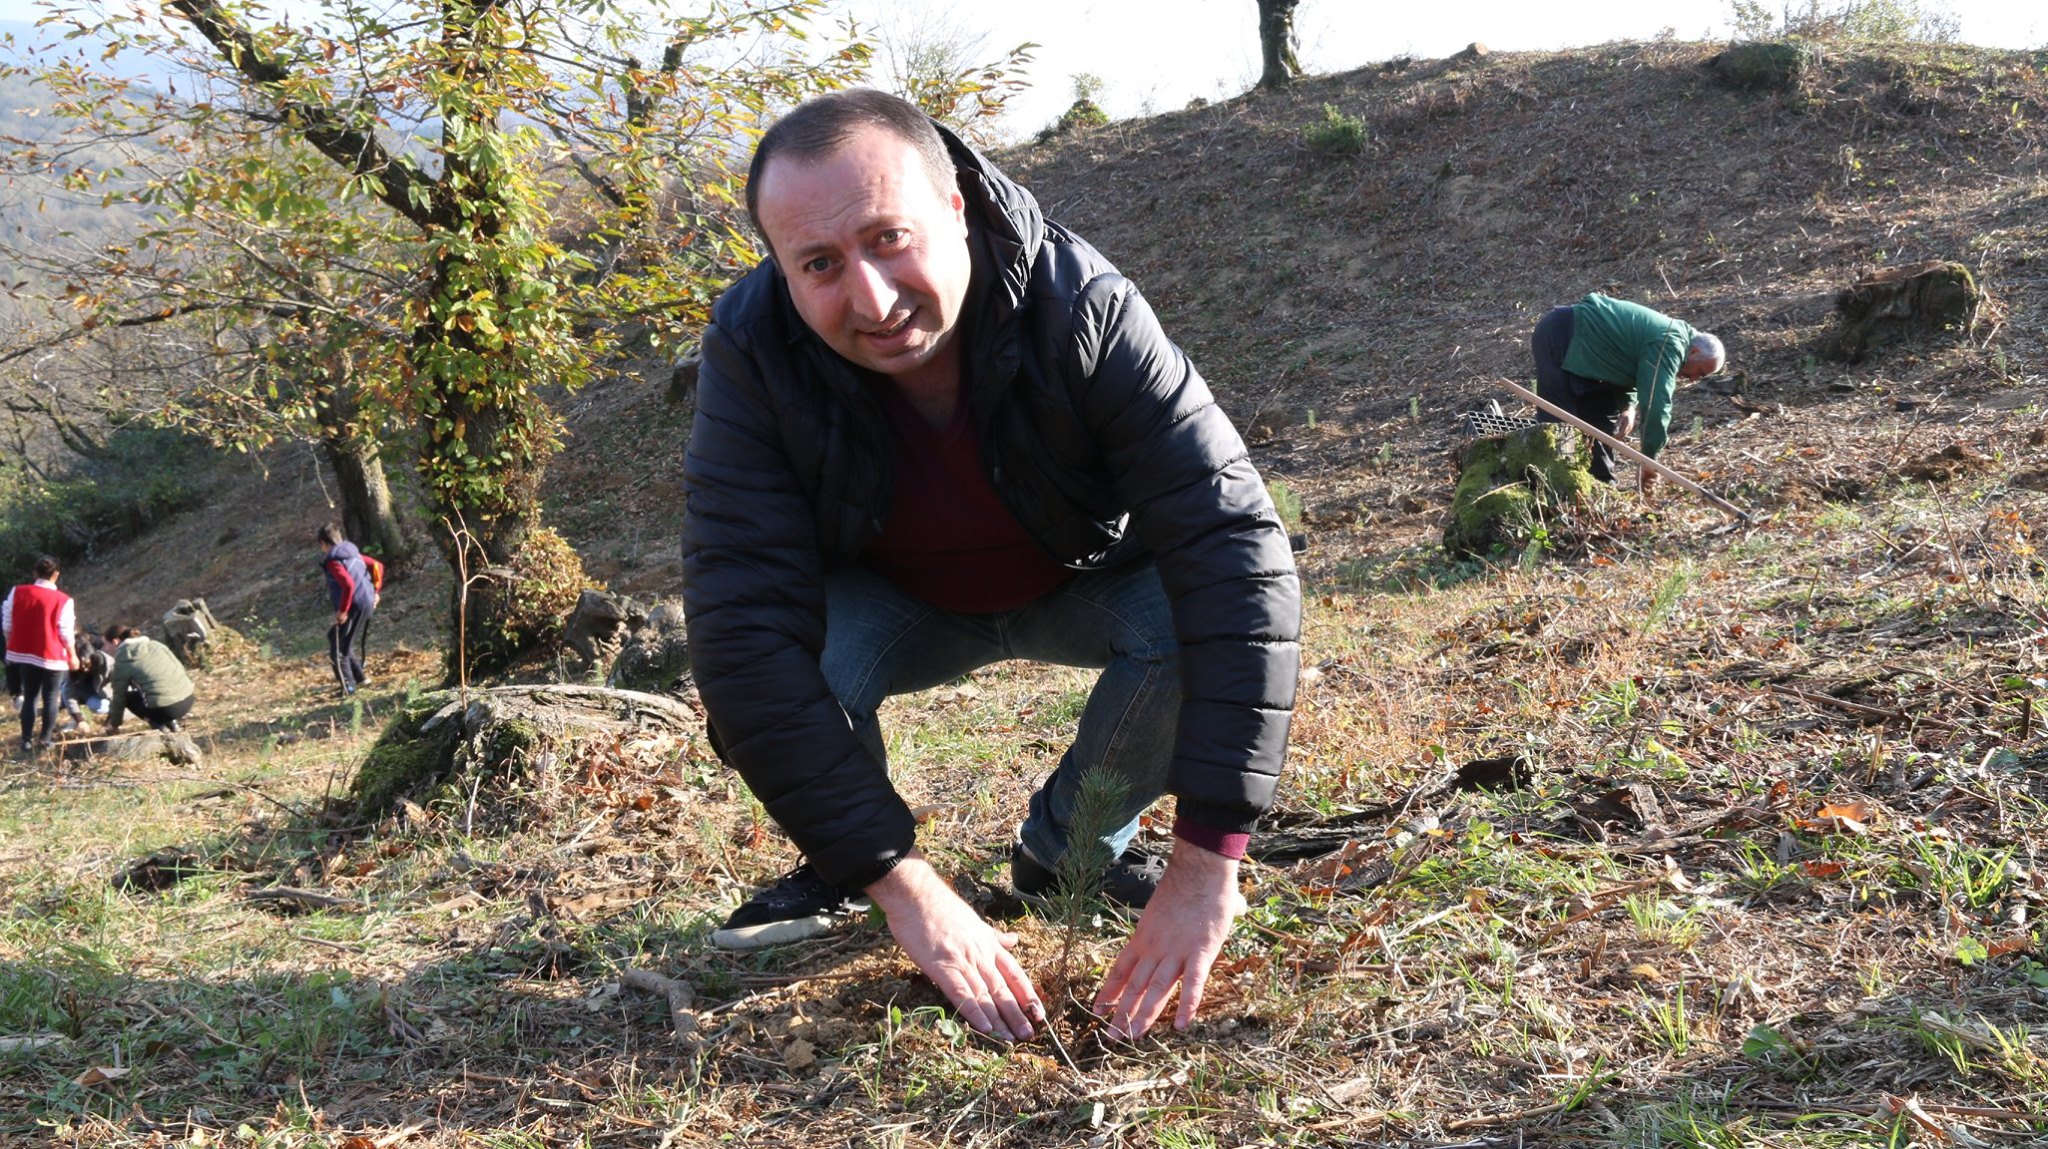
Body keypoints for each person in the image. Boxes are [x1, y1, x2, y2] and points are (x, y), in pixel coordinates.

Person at [681, 90, 1300, 1043]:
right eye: (820, 264)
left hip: (1078, 579)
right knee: (787, 666)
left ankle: (1069, 851)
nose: (873, 300)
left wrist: (1208, 860)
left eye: (889, 238)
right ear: (781, 269)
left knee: (1192, 617)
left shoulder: (1083, 305)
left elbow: (1234, 554)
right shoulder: (751, 350)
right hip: (891, 603)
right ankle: (844, 870)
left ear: (957, 206)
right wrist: (900, 881)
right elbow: (739, 628)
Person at [1530, 293, 1725, 487]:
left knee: (1600, 417)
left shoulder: (1672, 339)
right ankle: (1554, 487)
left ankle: (1603, 485)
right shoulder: (1670, 343)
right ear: (1694, 352)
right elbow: (1656, 404)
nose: (1694, 379)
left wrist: (1628, 406)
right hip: (1561, 334)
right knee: (1559, 421)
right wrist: (1649, 458)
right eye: (1699, 371)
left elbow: (1627, 359)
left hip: (1592, 353)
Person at [3, 556, 80, 753]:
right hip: (52, 655)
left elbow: (7, 624)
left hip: (25, 653)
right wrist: (72, 655)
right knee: (51, 697)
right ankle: (45, 739)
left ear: (35, 573)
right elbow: (65, 632)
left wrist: (12, 644)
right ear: (56, 575)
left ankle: (26, 740)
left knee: (30, 696)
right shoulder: (63, 600)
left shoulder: (17, 592)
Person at [315, 523, 378, 696]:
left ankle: (348, 687)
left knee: (338, 650)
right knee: (339, 639)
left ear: (323, 543)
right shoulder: (352, 552)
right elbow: (377, 566)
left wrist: (343, 611)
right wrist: (375, 592)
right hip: (366, 602)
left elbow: (348, 585)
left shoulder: (334, 561)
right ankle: (360, 678)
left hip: (353, 606)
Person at [103, 625, 195, 732]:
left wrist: (114, 724)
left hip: (166, 709)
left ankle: (159, 724)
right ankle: (171, 722)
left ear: (115, 642)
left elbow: (119, 696)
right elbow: (179, 667)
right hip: (188, 699)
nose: (105, 648)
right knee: (152, 690)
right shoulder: (156, 645)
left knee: (128, 698)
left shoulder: (123, 659)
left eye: (105, 644)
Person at [65, 633, 114, 722]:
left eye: (87, 664)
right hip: (86, 693)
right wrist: (79, 720)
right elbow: (69, 693)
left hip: (107, 695)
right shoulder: (73, 668)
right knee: (65, 689)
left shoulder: (107, 664)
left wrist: (112, 719)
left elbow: (120, 690)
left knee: (101, 707)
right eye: (82, 665)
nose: (85, 669)